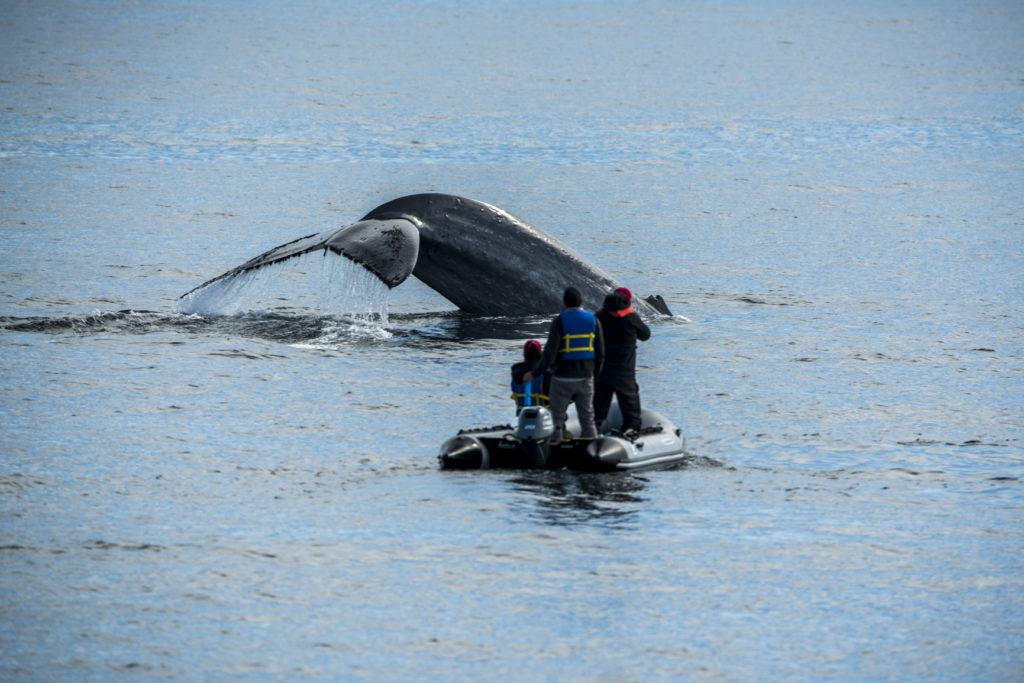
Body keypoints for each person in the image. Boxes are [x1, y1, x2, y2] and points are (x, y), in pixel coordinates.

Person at [525, 286, 604, 441]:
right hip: (585, 378)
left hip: (562, 379)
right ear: (581, 301)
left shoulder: (560, 321)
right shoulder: (593, 320)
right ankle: (591, 448)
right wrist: (594, 375)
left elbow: (549, 353)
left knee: (556, 419)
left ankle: (554, 450)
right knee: (587, 418)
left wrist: (535, 373)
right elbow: (601, 353)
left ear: (564, 303)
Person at [594, 286, 650, 438]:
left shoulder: (599, 315)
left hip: (602, 371)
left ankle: (592, 434)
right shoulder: (631, 317)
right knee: (630, 408)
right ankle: (630, 431)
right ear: (628, 301)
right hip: (624, 373)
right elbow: (645, 335)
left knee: (598, 409)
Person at [510, 339, 549, 414]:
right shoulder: (548, 373)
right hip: (544, 416)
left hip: (521, 416)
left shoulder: (515, 373)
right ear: (541, 354)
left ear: (524, 354)